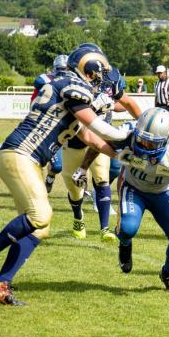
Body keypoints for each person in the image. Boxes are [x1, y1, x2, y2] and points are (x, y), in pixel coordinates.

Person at [0, 46, 128, 306]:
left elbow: (91, 138)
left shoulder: (67, 92)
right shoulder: (71, 85)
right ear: (88, 69)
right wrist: (127, 135)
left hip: (27, 160)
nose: (102, 78)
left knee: (40, 229)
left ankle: (2, 284)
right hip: (20, 154)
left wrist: (124, 156)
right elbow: (98, 126)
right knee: (41, 215)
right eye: (100, 71)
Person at [101, 108, 169, 292]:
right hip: (135, 189)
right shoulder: (128, 134)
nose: (144, 145)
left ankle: (167, 272)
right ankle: (125, 244)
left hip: (163, 193)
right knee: (127, 229)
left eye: (151, 143)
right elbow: (97, 141)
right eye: (142, 139)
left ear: (166, 140)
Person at [62, 44, 142, 242]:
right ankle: (78, 216)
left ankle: (105, 228)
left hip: (101, 139)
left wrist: (144, 123)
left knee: (102, 179)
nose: (97, 75)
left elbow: (128, 102)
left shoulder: (108, 80)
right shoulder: (70, 85)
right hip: (75, 139)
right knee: (75, 188)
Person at [31, 54, 69, 193]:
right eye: (61, 68)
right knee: (57, 165)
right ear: (55, 69)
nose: (63, 71)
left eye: (66, 68)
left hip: (70, 127)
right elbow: (34, 103)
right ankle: (47, 180)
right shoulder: (45, 81)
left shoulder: (76, 82)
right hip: (49, 128)